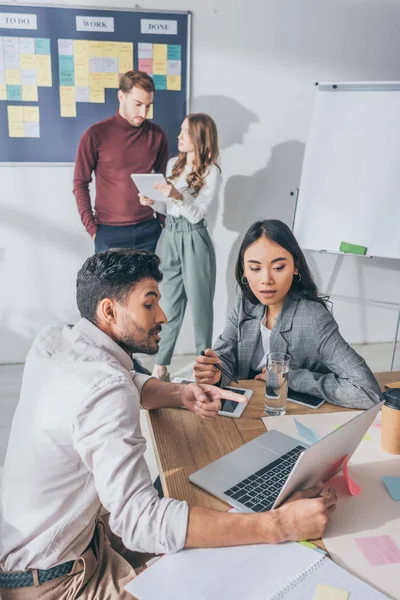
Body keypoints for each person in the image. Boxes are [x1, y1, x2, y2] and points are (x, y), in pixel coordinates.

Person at [0, 249, 337, 599]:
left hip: (52, 547)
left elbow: (119, 380)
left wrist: (180, 394)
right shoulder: (104, 389)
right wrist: (279, 525)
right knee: (242, 564)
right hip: (57, 583)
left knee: (220, 518)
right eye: (149, 304)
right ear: (108, 310)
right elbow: (139, 522)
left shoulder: (55, 340)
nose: (163, 314)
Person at [194, 220, 381, 409]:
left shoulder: (313, 318)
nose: (266, 280)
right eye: (255, 268)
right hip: (249, 404)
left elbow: (367, 392)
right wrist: (216, 373)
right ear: (244, 270)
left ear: (296, 267)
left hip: (291, 410)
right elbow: (224, 355)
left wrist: (292, 377)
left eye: (278, 267)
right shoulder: (245, 302)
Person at [139, 113, 220, 382]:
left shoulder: (211, 171)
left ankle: (203, 368)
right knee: (169, 305)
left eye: (185, 132)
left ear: (199, 137)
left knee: (200, 306)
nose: (179, 136)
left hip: (195, 238)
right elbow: (170, 208)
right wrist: (154, 202)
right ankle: (160, 366)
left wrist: (177, 195)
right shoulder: (175, 164)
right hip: (170, 235)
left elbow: (198, 214)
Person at [73, 70, 168, 254]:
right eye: (138, 104)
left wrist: (162, 221)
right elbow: (80, 183)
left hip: (148, 230)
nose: (143, 113)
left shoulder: (156, 135)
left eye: (148, 106)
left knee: (147, 284)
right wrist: (92, 229)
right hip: (108, 232)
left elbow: (162, 180)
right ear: (121, 96)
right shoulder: (95, 134)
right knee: (110, 285)